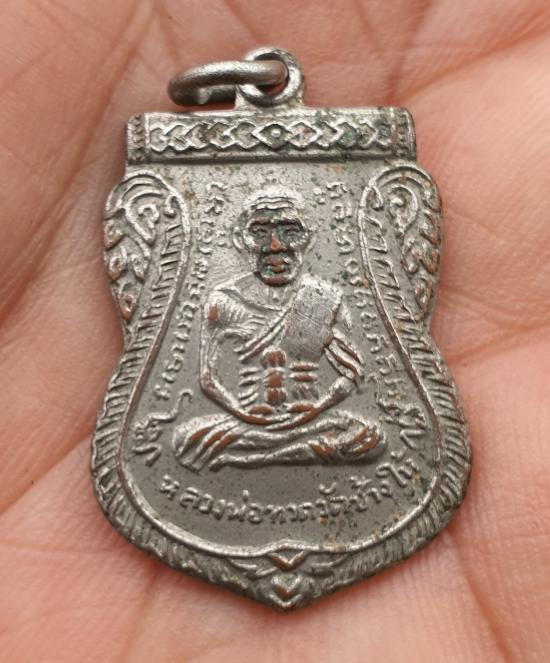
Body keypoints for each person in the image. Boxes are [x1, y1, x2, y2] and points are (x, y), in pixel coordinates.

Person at [173, 189, 384, 471]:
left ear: (309, 238)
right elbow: (207, 380)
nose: (275, 246)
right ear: (240, 240)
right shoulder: (224, 301)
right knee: (185, 442)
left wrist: (316, 409)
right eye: (260, 233)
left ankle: (255, 458)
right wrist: (244, 415)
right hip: (246, 422)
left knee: (370, 438)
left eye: (290, 232)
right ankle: (283, 451)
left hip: (311, 419)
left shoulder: (323, 297)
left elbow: (352, 374)